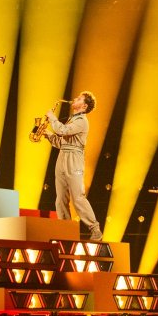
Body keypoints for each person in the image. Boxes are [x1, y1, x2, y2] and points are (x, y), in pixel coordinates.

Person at [43, 91, 103, 241]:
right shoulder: (72, 120)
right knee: (60, 198)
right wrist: (48, 134)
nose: (74, 99)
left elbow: (62, 131)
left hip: (74, 159)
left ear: (83, 106)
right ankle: (66, 231)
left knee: (78, 197)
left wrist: (52, 118)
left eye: (79, 99)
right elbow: (61, 142)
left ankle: (95, 229)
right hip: (62, 157)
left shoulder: (82, 121)